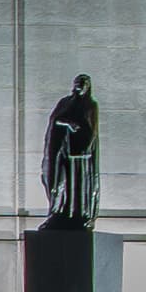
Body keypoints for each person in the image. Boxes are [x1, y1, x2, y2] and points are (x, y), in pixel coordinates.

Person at [41, 74, 101, 228]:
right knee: (61, 180)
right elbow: (56, 120)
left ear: (88, 86)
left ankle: (79, 214)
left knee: (79, 183)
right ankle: (59, 211)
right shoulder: (65, 102)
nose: (79, 86)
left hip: (80, 154)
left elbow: (92, 128)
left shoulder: (90, 105)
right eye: (77, 83)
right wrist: (68, 123)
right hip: (64, 150)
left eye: (83, 83)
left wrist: (85, 146)